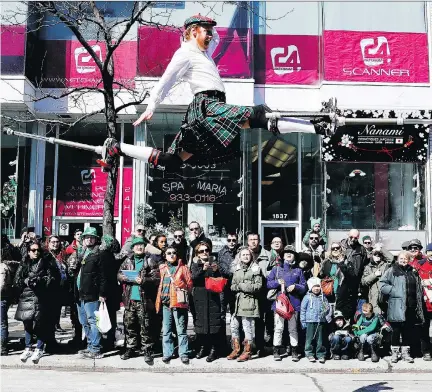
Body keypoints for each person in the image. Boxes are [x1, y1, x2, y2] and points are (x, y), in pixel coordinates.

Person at [106, 15, 329, 172]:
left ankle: (118, 148)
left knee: (172, 161)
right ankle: (315, 127)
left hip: (211, 107)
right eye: (207, 31)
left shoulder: (204, 55)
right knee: (260, 115)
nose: (211, 35)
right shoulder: (185, 53)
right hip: (206, 107)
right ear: (193, 32)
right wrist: (151, 106)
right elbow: (166, 80)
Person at [14, 240, 60, 364]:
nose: (36, 252)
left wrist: (40, 280)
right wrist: (25, 281)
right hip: (27, 296)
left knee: (41, 323)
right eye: (33, 250)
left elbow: (53, 278)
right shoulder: (24, 263)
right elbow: (17, 279)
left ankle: (39, 347)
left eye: (38, 250)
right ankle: (28, 347)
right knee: (27, 322)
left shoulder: (47, 262)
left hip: (41, 296)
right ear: (28, 252)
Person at [117, 237, 160, 364]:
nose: (139, 247)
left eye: (141, 245)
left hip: (144, 300)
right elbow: (119, 274)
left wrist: (145, 280)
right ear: (133, 248)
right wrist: (125, 278)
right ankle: (130, 348)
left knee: (145, 326)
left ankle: (147, 349)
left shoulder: (150, 260)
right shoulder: (128, 260)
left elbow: (156, 278)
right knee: (129, 325)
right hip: (130, 300)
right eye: (136, 246)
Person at [379, 251, 425, 363]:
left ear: (409, 260)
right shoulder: (392, 270)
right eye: (401, 258)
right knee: (396, 330)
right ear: (397, 259)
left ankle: (405, 353)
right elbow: (382, 284)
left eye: (405, 259)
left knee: (407, 330)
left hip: (410, 306)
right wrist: (394, 291)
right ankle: (395, 353)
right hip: (396, 305)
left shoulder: (413, 271)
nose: (403, 261)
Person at [267, 245, 306, 362]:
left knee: (293, 329)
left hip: (294, 304)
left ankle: (294, 351)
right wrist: (277, 282)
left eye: (291, 252)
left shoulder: (298, 270)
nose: (289, 254)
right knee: (278, 328)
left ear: (295, 255)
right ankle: (276, 351)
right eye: (286, 252)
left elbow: (304, 287)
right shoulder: (276, 269)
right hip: (279, 303)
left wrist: (296, 286)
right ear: (283, 256)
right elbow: (268, 284)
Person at [74, 227, 109, 360]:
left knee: (93, 321)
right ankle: (90, 346)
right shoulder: (83, 253)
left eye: (91, 237)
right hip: (80, 293)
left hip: (92, 294)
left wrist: (102, 293)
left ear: (96, 239)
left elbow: (103, 277)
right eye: (86, 237)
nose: (89, 239)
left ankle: (96, 348)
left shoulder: (98, 254)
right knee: (84, 321)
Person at [155, 245, 193, 364]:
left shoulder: (183, 268)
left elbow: (190, 284)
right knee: (166, 330)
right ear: (165, 256)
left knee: (181, 330)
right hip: (166, 304)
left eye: (173, 253)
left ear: (177, 255)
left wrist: (180, 286)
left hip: (178, 303)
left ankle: (183, 353)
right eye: (168, 253)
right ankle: (167, 353)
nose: (171, 255)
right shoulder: (162, 268)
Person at [228, 246, 263, 362]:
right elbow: (233, 286)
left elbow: (258, 286)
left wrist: (243, 286)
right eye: (243, 255)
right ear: (240, 257)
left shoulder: (256, 269)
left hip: (249, 302)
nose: (245, 256)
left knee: (247, 327)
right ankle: (236, 349)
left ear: (251, 256)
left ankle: (247, 351)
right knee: (234, 326)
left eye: (247, 255)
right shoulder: (237, 270)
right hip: (237, 303)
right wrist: (241, 285)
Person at [191, 241, 223, 362]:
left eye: (206, 250)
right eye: (201, 251)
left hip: (213, 296)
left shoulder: (214, 262)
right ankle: (203, 347)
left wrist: (215, 271)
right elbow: (193, 279)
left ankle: (214, 350)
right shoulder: (195, 264)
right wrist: (202, 270)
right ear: (197, 253)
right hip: (200, 296)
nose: (204, 253)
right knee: (201, 323)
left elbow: (221, 278)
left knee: (213, 323)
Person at [246, 232, 273, 354]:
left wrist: (261, 273)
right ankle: (247, 346)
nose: (253, 241)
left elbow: (273, 273)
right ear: (247, 241)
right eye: (251, 239)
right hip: (247, 293)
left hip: (263, 293)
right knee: (247, 321)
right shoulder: (243, 254)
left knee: (261, 320)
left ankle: (261, 347)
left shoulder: (268, 255)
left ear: (259, 240)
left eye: (255, 239)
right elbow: (234, 269)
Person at [99, 234, 123, 352]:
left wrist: (102, 293)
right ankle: (110, 340)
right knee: (111, 317)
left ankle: (106, 342)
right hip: (113, 292)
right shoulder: (111, 256)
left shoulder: (104, 256)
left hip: (107, 293)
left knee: (104, 318)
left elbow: (104, 276)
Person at [300, 277, 332, 363]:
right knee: (310, 338)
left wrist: (325, 312)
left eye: (318, 286)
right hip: (310, 321)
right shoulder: (307, 297)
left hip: (320, 321)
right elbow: (303, 310)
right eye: (314, 287)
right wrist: (303, 321)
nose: (316, 288)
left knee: (320, 339)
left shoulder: (323, 297)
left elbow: (327, 307)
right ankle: (309, 353)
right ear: (311, 287)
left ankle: (320, 354)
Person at [338, 229, 368, 321]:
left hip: (355, 281)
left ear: (358, 237)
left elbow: (364, 265)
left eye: (355, 238)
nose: (353, 239)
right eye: (351, 237)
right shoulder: (341, 247)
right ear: (348, 235)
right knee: (340, 306)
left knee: (352, 307)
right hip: (342, 280)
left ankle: (350, 329)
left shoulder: (361, 249)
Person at [409, 242, 432, 361]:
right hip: (425, 303)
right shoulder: (420, 265)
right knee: (424, 328)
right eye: (430, 252)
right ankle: (426, 351)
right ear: (426, 253)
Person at [1, 235, 21, 355]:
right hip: (7, 294)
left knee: (1, 322)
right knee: (2, 321)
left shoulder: (2, 266)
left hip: (2, 294)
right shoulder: (12, 264)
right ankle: (3, 345)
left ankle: (2, 347)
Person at [361, 244, 392, 316]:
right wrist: (374, 275)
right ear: (372, 255)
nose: (377, 256)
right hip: (373, 298)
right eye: (375, 255)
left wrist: (381, 249)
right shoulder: (368, 267)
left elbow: (391, 258)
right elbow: (364, 282)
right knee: (375, 317)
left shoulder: (386, 265)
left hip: (385, 297)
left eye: (379, 255)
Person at [319, 242, 345, 309]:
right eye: (333, 248)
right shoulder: (326, 262)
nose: (335, 249)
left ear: (341, 249)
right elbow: (321, 275)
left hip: (342, 290)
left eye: (337, 248)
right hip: (329, 290)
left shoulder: (345, 261)